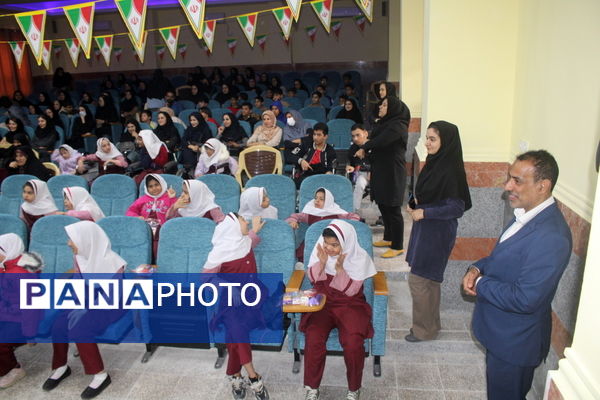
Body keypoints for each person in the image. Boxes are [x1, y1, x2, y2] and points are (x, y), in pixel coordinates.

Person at [462, 150, 572, 400]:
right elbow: (502, 260)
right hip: (502, 335)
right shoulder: (524, 214)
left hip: (514, 345)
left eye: (517, 181)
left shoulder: (551, 236)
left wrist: (480, 283)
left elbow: (525, 298)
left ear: (543, 186)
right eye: (509, 178)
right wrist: (477, 268)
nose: (507, 186)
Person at [404, 121, 472, 342]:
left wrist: (425, 213)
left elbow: (456, 207)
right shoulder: (434, 163)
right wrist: (413, 202)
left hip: (437, 232)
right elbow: (427, 194)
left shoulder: (451, 170)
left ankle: (422, 330)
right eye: (427, 138)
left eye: (433, 139)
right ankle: (431, 327)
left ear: (447, 142)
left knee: (419, 280)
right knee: (430, 280)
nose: (427, 143)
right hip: (426, 229)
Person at [43, 221, 125, 399]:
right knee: (58, 324)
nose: (68, 243)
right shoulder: (80, 257)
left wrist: (86, 308)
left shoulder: (113, 261)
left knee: (81, 327)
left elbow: (111, 295)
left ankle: (100, 374)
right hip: (85, 298)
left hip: (110, 303)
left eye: (72, 239)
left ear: (86, 240)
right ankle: (61, 366)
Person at [301, 220, 376, 400]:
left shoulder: (359, 257)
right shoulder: (321, 253)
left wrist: (340, 269)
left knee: (352, 342)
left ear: (345, 243)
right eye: (326, 243)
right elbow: (312, 278)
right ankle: (312, 387)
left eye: (335, 245)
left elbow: (351, 290)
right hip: (323, 302)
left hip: (350, 304)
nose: (329, 248)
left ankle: (354, 388)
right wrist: (322, 262)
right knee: (314, 337)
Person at [202, 212, 270, 400]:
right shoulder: (220, 252)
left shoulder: (244, 241)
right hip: (230, 302)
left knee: (234, 332)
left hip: (254, 299)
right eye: (241, 220)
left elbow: (251, 240)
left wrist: (254, 229)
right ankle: (253, 376)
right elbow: (205, 278)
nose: (245, 221)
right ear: (232, 226)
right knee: (237, 329)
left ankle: (235, 375)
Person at [356, 96, 410, 258]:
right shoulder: (385, 123)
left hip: (392, 172)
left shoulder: (398, 126)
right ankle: (388, 237)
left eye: (385, 105)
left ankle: (397, 245)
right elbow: (376, 139)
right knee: (383, 205)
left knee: (393, 209)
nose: (380, 107)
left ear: (393, 108)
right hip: (381, 169)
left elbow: (381, 141)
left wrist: (365, 146)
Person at [0, 233, 43, 389]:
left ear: (8, 251)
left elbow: (32, 307)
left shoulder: (21, 274)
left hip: (22, 318)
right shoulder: (7, 265)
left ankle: (13, 369)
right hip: (8, 312)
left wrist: (29, 333)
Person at [287, 188, 359, 263]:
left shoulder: (336, 212)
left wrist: (348, 226)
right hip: (313, 243)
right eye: (316, 198)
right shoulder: (310, 212)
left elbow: (354, 216)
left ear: (328, 201)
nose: (317, 200)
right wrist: (293, 221)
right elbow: (295, 216)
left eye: (321, 199)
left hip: (331, 244)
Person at [287, 123, 337, 188]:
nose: (315, 137)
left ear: (325, 136)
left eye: (319, 135)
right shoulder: (305, 145)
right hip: (305, 177)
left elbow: (331, 168)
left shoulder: (330, 151)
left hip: (322, 179)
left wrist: (329, 172)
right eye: (314, 134)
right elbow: (290, 156)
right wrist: (301, 161)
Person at [346, 124, 372, 213]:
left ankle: (382, 215)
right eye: (353, 136)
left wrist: (372, 171)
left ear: (365, 133)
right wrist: (350, 167)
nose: (355, 139)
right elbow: (351, 163)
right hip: (361, 174)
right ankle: (354, 211)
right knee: (360, 183)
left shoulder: (373, 145)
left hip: (377, 174)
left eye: (358, 135)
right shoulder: (353, 147)